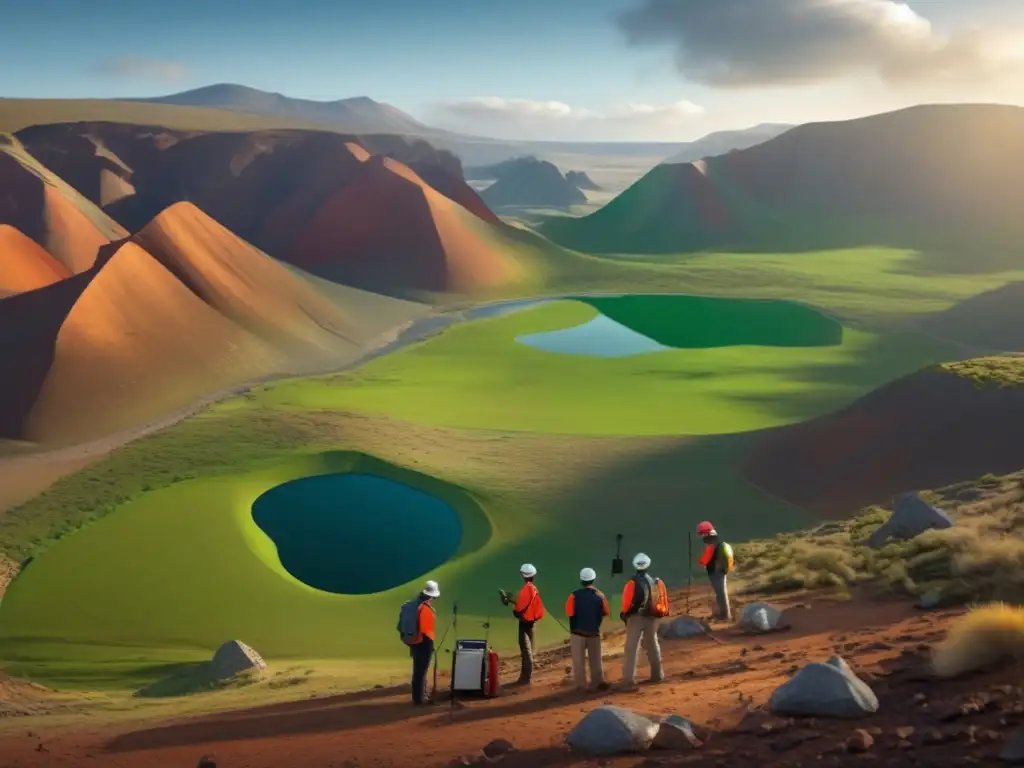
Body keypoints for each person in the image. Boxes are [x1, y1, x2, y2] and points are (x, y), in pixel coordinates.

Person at [619, 552, 667, 688]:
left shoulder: (631, 582)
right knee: (652, 644)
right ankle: (657, 675)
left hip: (635, 618)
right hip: (651, 618)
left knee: (631, 648)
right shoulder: (653, 581)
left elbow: (627, 603)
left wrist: (624, 614)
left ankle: (628, 679)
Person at [565, 567, 610, 691]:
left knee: (578, 662)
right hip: (593, 632)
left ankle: (582, 685)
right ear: (593, 580)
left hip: (577, 633)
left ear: (581, 580)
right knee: (595, 660)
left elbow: (569, 612)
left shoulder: (573, 596)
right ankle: (597, 682)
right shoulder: (600, 596)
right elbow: (606, 612)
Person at [503, 563, 545, 685]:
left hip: (525, 623)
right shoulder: (534, 589)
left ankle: (525, 679)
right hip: (532, 623)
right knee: (529, 649)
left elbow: (518, 610)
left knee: (526, 650)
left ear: (523, 575)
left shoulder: (526, 590)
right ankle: (526, 677)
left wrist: (510, 602)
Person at [408, 580, 439, 706]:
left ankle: (417, 697)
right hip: (424, 643)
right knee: (421, 671)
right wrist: (429, 645)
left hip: (415, 642)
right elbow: (425, 630)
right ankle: (419, 699)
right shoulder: (425, 609)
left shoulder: (416, 605)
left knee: (417, 671)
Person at [697, 521, 734, 622]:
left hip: (717, 572)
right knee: (720, 593)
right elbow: (707, 559)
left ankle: (726, 616)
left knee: (721, 593)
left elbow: (707, 559)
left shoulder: (714, 545)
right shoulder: (714, 544)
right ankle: (723, 613)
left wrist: (700, 562)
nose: (702, 537)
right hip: (718, 571)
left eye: (703, 534)